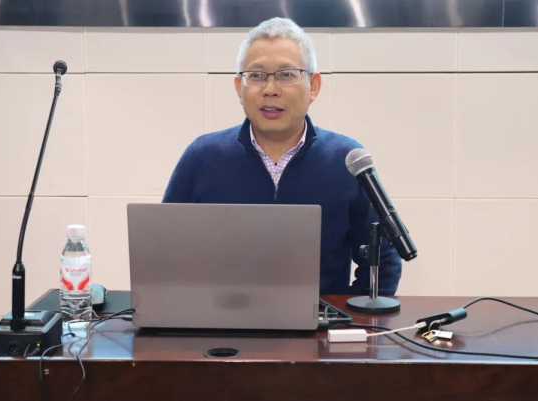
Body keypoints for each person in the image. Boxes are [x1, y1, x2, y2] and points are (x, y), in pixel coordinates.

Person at [162, 17, 401, 295]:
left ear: (313, 85)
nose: (270, 89)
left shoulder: (346, 160)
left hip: (318, 319)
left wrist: (344, 315)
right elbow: (165, 253)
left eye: (286, 74)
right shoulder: (202, 157)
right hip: (220, 318)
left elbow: (383, 263)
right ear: (239, 87)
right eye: (256, 75)